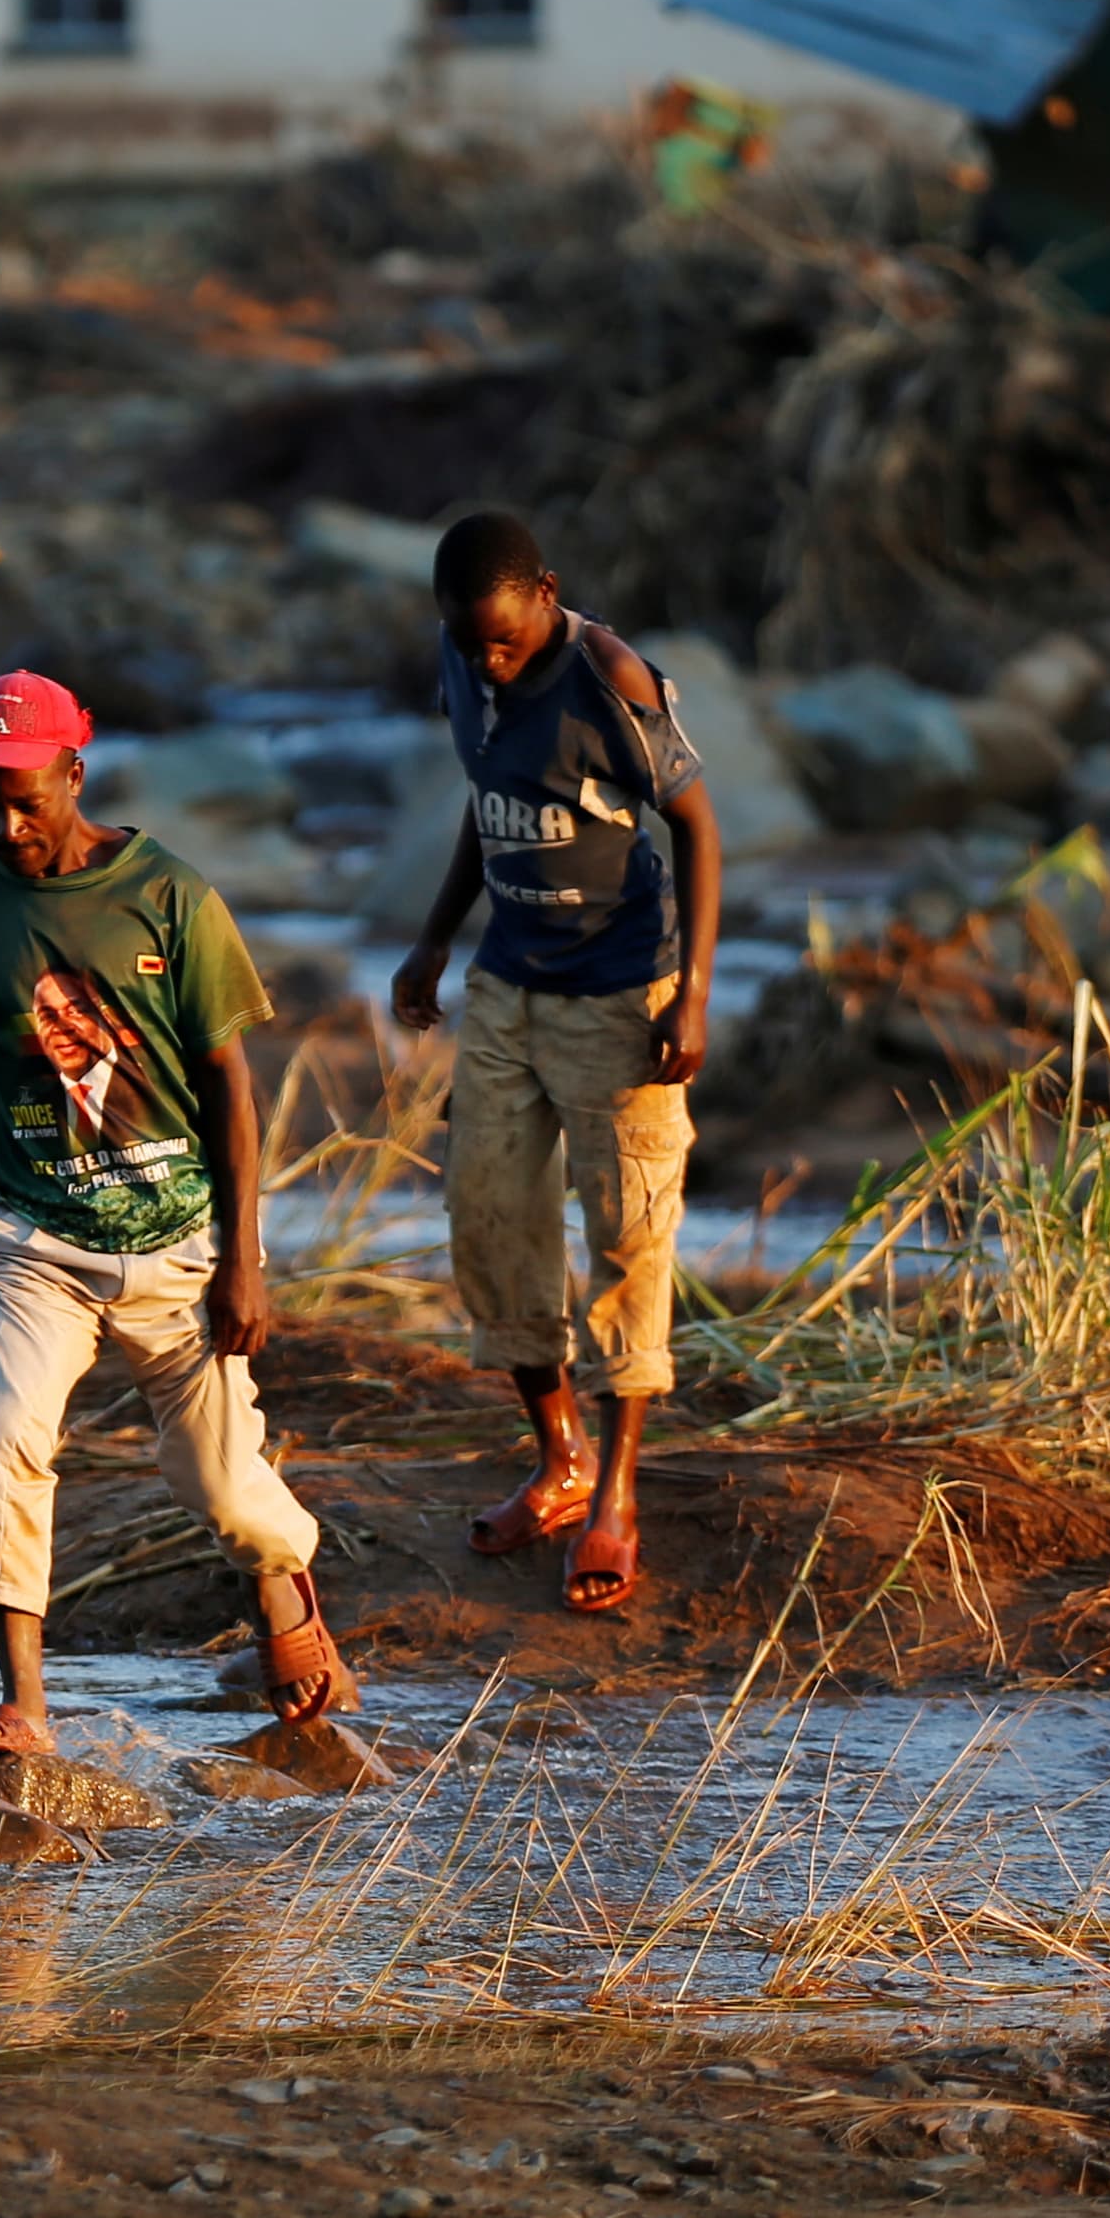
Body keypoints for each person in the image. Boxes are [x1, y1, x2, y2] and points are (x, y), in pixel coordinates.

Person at [0, 669, 351, 1760]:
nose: (3, 822)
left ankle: (286, 1581)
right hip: (32, 1243)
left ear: (74, 773)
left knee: (221, 1483)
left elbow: (231, 1083)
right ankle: (25, 1706)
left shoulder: (172, 895)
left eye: (24, 796)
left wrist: (244, 1258)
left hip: (179, 1242)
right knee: (9, 1434)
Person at [388, 512, 720, 1617]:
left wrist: (695, 998)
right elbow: (491, 808)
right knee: (488, 1221)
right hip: (506, 990)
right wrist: (437, 934)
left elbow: (698, 828)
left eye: (503, 638)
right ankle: (560, 1454)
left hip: (621, 997)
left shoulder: (607, 676)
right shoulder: (460, 657)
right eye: (468, 640)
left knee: (629, 1237)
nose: (488, 659)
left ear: (547, 592)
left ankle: (616, 1497)